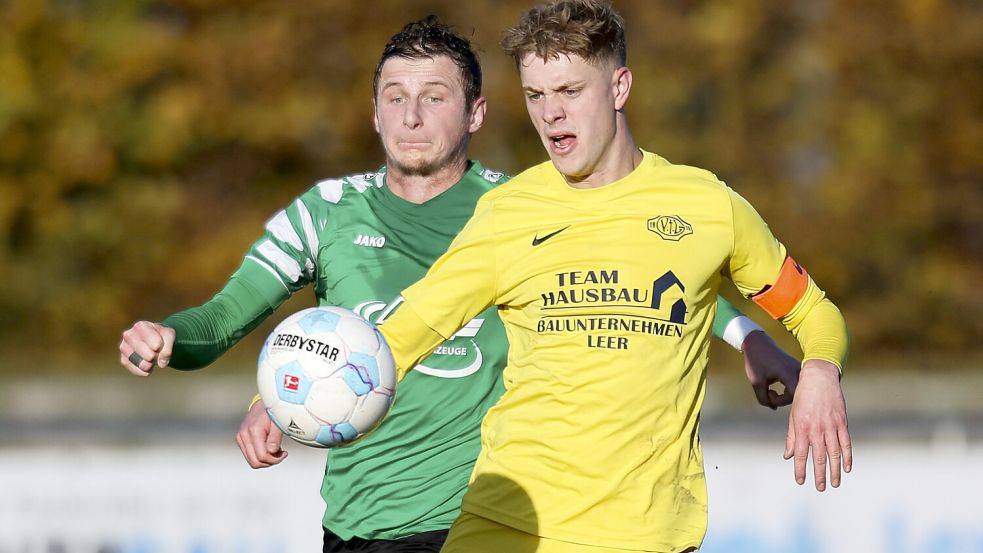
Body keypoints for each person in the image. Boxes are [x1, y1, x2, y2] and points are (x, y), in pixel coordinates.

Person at [118, 15, 800, 553]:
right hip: (359, 521)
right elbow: (222, 320)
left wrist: (744, 335)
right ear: (374, 112)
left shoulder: (519, 210)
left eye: (434, 97)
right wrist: (177, 341)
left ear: (474, 114)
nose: (411, 116)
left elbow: (637, 276)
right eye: (395, 97)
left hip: (485, 516)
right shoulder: (323, 212)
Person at [372, 2, 852, 552]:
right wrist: (296, 388)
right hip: (504, 527)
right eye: (536, 95)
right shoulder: (507, 214)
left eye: (570, 91)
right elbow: (401, 335)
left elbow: (812, 311)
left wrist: (819, 370)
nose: (551, 113)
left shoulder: (706, 205)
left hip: (642, 536)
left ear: (619, 87)